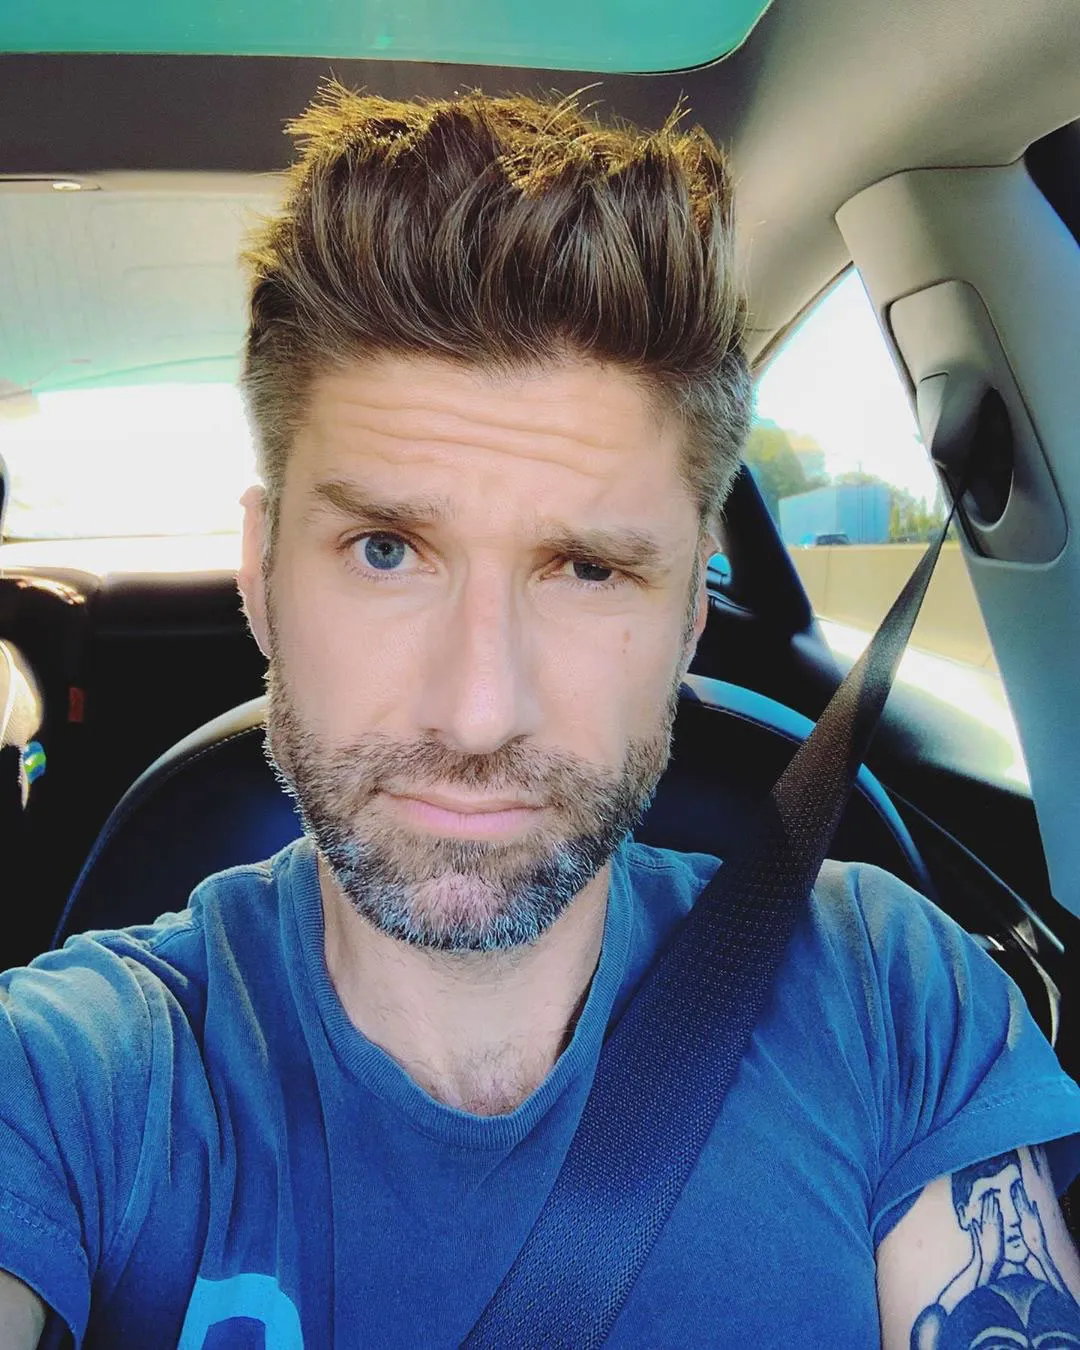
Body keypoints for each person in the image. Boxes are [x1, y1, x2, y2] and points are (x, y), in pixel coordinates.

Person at [1, 82, 1080, 1350]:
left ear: (691, 616)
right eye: (386, 550)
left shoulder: (891, 994)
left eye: (587, 569)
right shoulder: (74, 1079)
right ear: (260, 572)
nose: (477, 713)